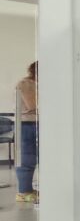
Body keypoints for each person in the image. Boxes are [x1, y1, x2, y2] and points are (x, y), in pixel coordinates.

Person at [15, 61, 37, 203]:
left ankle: (27, 190)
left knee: (32, 158)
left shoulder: (35, 84)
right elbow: (32, 104)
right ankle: (24, 192)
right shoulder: (26, 84)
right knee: (27, 159)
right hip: (28, 124)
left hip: (34, 123)